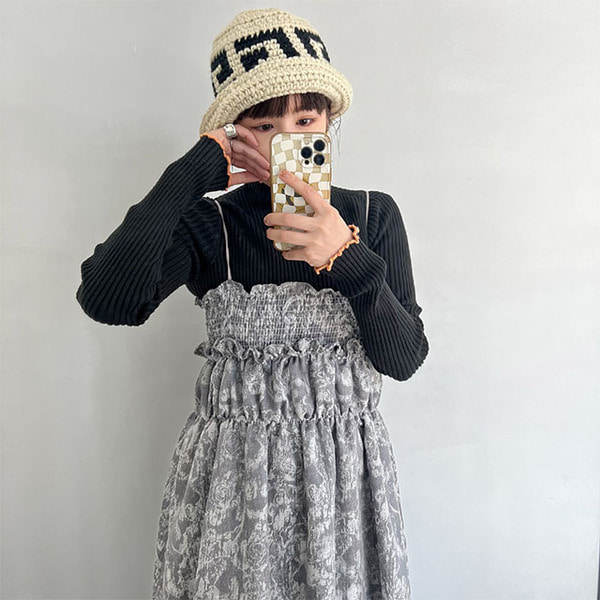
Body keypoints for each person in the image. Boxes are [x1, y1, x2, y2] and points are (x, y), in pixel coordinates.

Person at [76, 8, 429, 600]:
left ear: (329, 122)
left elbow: (404, 358)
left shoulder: (373, 215)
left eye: (306, 119)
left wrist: (345, 257)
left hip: (345, 482)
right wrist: (190, 173)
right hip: (234, 481)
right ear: (236, 134)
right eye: (265, 125)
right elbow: (107, 298)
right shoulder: (212, 225)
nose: (288, 139)